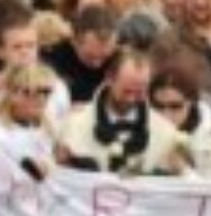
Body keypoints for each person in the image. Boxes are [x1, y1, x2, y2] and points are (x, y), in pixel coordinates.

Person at [57, 47, 188, 176]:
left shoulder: (165, 132)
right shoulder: (74, 124)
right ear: (109, 79)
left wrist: (178, 170)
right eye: (126, 91)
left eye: (139, 92)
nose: (131, 99)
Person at [149, 63, 211, 179]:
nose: (166, 114)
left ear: (191, 102)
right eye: (158, 106)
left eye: (175, 106)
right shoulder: (143, 127)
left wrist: (183, 170)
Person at [44, 4, 117, 104]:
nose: (97, 64)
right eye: (90, 57)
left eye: (104, 57)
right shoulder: (51, 61)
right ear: (74, 41)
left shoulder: (119, 61)